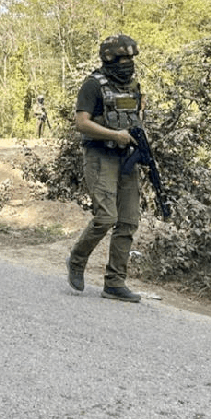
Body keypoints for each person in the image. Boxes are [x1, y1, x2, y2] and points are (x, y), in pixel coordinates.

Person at [67, 34, 143, 303]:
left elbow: (135, 119)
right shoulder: (93, 85)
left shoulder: (133, 86)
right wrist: (114, 135)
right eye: (123, 58)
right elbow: (81, 123)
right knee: (107, 217)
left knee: (129, 220)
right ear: (110, 59)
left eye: (131, 58)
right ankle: (77, 259)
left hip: (127, 157)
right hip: (100, 156)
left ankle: (114, 282)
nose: (128, 63)